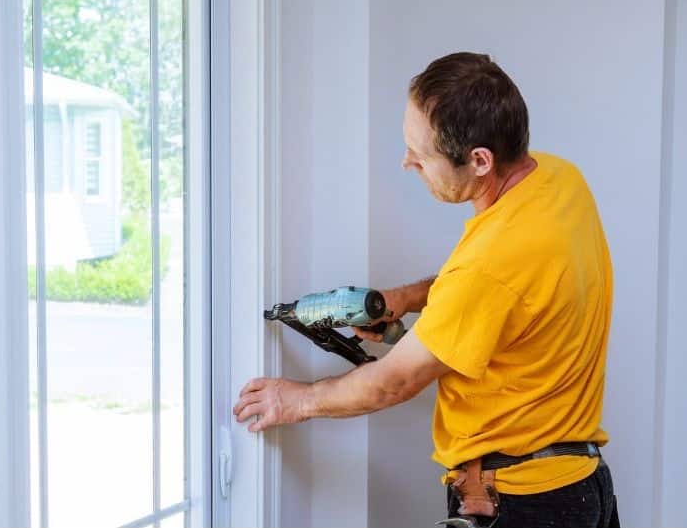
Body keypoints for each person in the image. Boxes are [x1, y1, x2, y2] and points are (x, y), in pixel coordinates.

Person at [233, 52, 620, 528]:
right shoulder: (559, 179)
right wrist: (405, 301)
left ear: (480, 160)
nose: (406, 161)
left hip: (520, 504)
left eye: (421, 153)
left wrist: (294, 400)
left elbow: (393, 382)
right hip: (581, 486)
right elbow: (508, 291)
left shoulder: (489, 266)